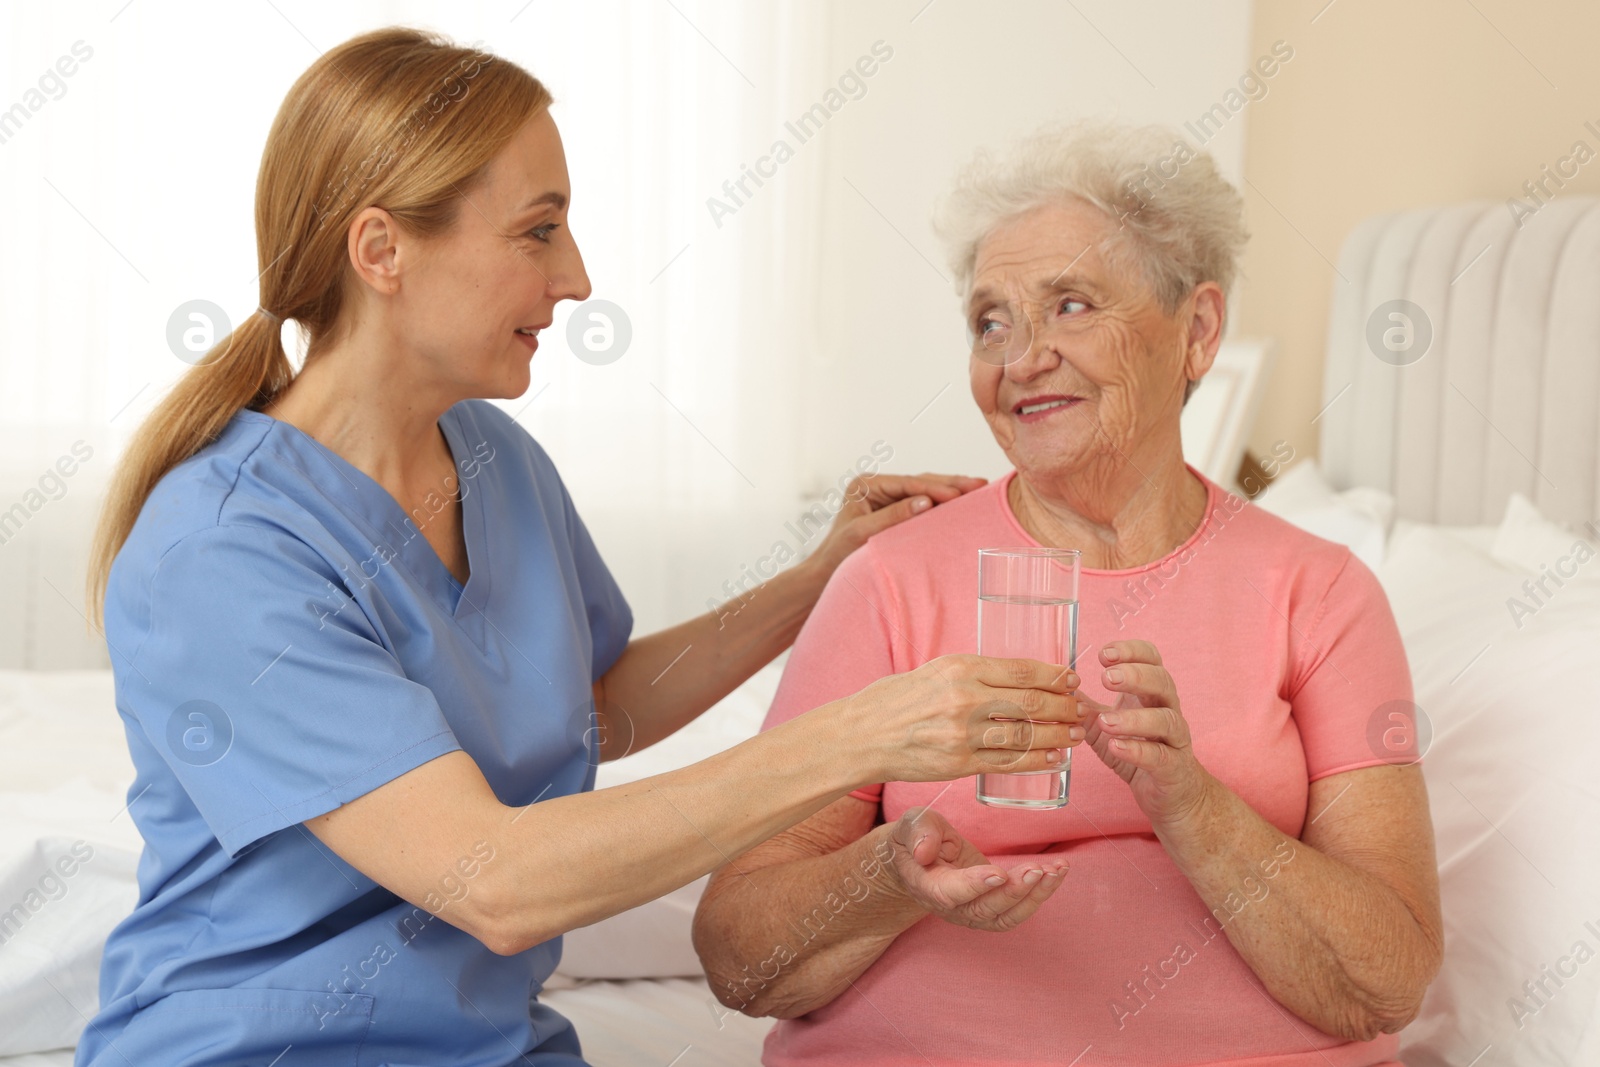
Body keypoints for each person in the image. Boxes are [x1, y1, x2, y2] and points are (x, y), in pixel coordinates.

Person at [76, 28, 1083, 1067]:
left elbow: (591, 707)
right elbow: (494, 879)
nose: (577, 276)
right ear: (381, 250)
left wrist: (815, 577)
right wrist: (864, 734)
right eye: (538, 230)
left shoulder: (494, 460)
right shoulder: (223, 548)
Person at [693, 120, 1444, 1066]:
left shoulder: (1320, 592)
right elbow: (737, 958)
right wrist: (887, 874)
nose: (1020, 358)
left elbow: (1388, 978)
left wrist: (1195, 807)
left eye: (1072, 305)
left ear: (1199, 330)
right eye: (990, 322)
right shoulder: (891, 578)